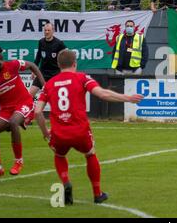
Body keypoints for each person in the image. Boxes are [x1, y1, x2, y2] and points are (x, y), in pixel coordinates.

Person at [35, 49, 144, 204]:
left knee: (59, 155)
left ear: (58, 64)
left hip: (59, 132)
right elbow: (102, 94)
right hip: (80, 131)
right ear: (75, 63)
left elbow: (38, 111)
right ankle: (97, 194)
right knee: (90, 154)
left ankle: (66, 183)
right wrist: (128, 98)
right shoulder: (82, 78)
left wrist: (45, 132)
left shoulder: (49, 84)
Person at [0, 45, 45, 182]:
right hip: (6, 110)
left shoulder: (12, 65)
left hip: (24, 103)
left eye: (1, 59)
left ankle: (19, 161)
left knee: (13, 122)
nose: (0, 62)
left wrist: (44, 84)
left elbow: (32, 65)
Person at [29, 23, 67, 97]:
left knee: (56, 96)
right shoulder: (41, 42)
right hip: (42, 73)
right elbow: (38, 56)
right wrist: (34, 71)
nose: (46, 32)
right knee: (30, 94)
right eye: (45, 30)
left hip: (55, 73)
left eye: (48, 30)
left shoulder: (59, 43)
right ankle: (27, 108)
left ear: (53, 31)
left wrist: (64, 70)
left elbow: (67, 55)